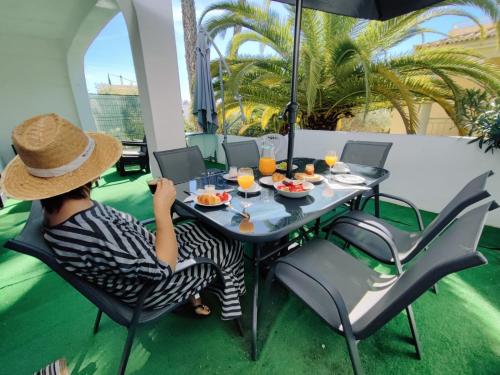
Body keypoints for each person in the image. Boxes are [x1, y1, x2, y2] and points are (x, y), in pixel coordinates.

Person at [0, 113, 245, 319]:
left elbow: (124, 248)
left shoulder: (60, 215)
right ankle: (230, 298)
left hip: (141, 259)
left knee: (206, 228)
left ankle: (201, 292)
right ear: (89, 174)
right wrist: (161, 210)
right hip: (156, 287)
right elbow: (163, 268)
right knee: (229, 241)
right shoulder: (92, 231)